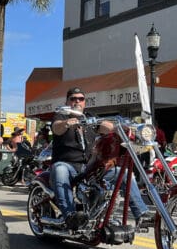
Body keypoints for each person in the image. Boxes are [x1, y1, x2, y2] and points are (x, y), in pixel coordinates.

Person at [50, 87, 150, 235]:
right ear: (67, 101)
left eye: (80, 99)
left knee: (123, 173)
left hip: (89, 167)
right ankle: (70, 216)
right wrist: (66, 123)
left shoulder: (89, 117)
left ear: (85, 102)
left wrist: (119, 128)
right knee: (59, 169)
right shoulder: (62, 115)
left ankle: (142, 214)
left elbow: (105, 126)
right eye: (73, 98)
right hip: (68, 164)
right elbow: (56, 128)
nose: (77, 101)